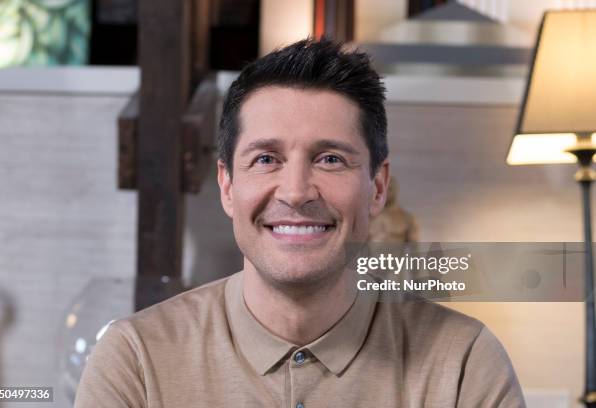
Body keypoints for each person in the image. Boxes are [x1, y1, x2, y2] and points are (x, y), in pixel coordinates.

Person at [75, 38, 525, 408]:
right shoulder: (136, 360)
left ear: (378, 187)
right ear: (227, 186)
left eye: (330, 159)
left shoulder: (463, 363)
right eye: (266, 159)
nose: (295, 191)